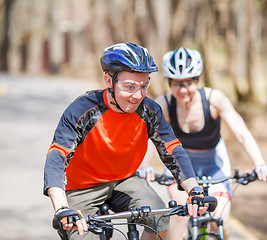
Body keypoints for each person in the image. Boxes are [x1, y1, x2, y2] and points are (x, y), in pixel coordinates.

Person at [43, 43, 208, 240]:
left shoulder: (150, 110)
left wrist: (194, 190)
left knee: (160, 217)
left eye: (144, 86)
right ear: (109, 81)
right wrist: (61, 206)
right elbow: (57, 155)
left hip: (125, 179)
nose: (138, 95)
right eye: (129, 87)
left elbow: (172, 149)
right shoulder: (82, 110)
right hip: (82, 187)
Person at [139, 47, 267, 240]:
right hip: (181, 170)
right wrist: (144, 167)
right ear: (168, 83)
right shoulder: (164, 103)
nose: (183, 90)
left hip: (214, 166)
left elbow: (241, 132)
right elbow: (152, 138)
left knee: (221, 221)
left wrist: (259, 163)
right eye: (176, 84)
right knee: (180, 216)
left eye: (188, 83)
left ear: (198, 80)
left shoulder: (214, 99)